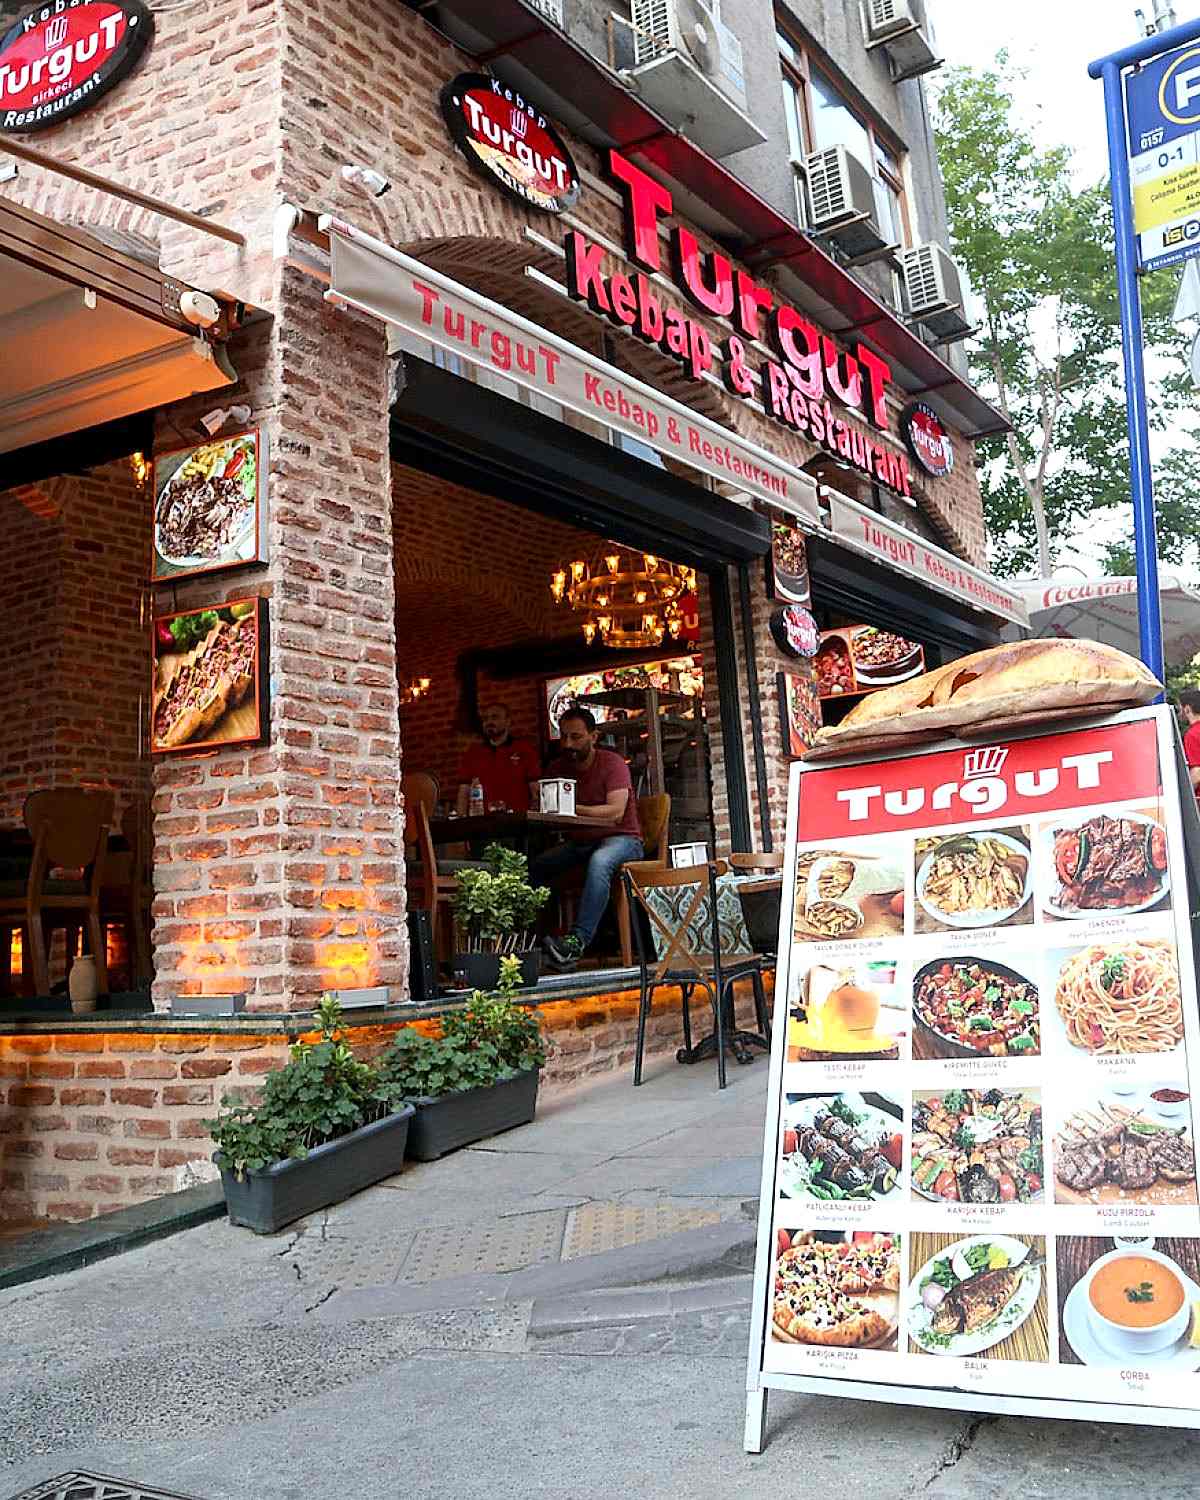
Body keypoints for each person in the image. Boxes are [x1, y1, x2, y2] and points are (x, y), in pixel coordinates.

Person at [534, 707, 644, 970]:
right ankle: (545, 940)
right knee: (537, 866)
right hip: (582, 842)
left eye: (576, 737)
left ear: (594, 737)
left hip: (623, 839)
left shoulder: (612, 763)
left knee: (600, 861)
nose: (568, 744)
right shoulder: (557, 768)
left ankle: (576, 941)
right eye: (564, 737)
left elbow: (615, 812)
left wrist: (571, 808)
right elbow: (544, 806)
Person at [454, 703, 541, 815]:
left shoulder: (524, 750)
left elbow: (535, 791)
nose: (489, 722)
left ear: (508, 721)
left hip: (517, 820)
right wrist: (461, 819)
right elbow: (464, 792)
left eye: (495, 717)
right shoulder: (473, 753)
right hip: (483, 821)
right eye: (486, 719)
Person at [1179, 688, 1200, 800]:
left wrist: (1182, 796)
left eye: (1180, 708)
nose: (1179, 712)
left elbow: (1197, 773)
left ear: (1187, 709)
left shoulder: (1192, 735)